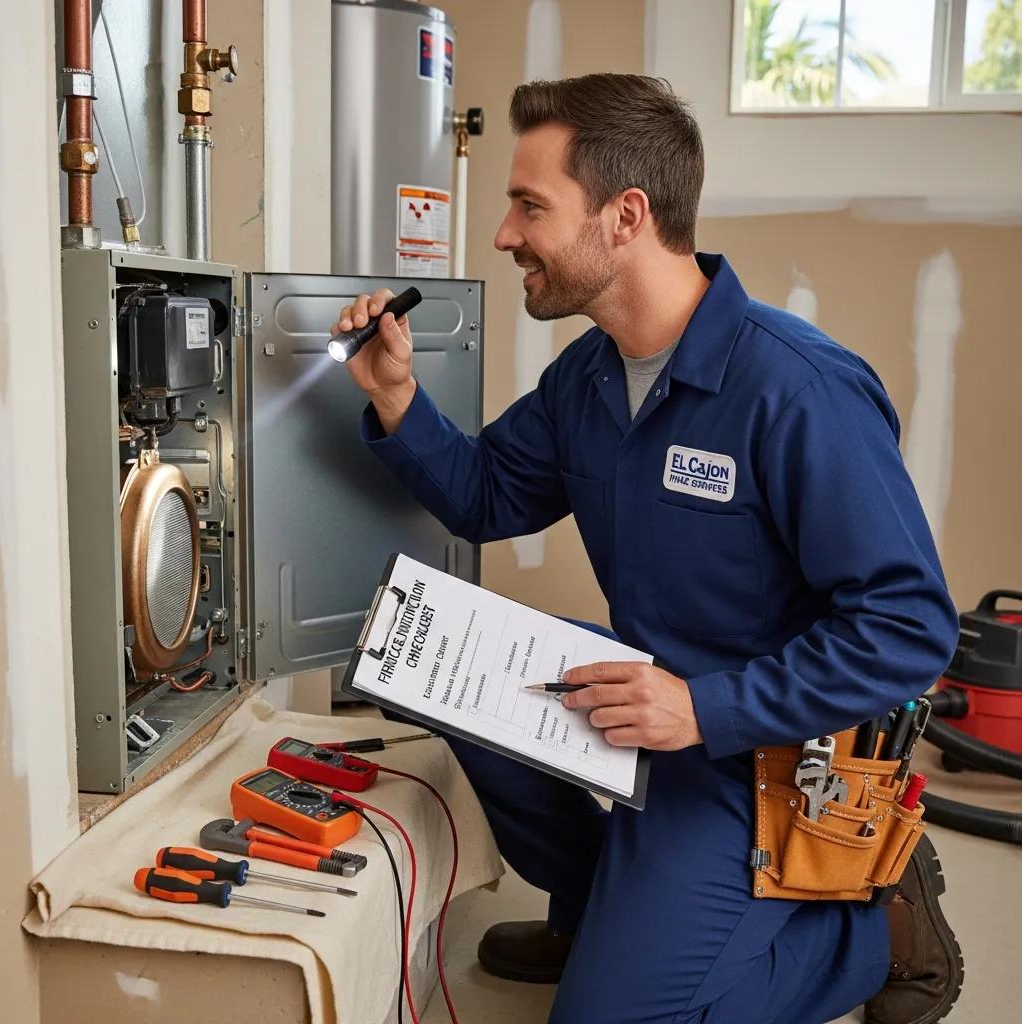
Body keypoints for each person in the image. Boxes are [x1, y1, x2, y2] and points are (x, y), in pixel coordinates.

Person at [333, 74, 964, 1024]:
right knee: (454, 676)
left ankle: (867, 936)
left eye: (529, 206)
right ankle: (599, 908)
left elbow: (910, 630)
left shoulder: (797, 390)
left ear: (625, 216)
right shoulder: (589, 376)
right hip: (654, 697)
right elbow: (488, 494)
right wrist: (396, 400)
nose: (504, 235)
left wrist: (703, 709)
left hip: (762, 757)